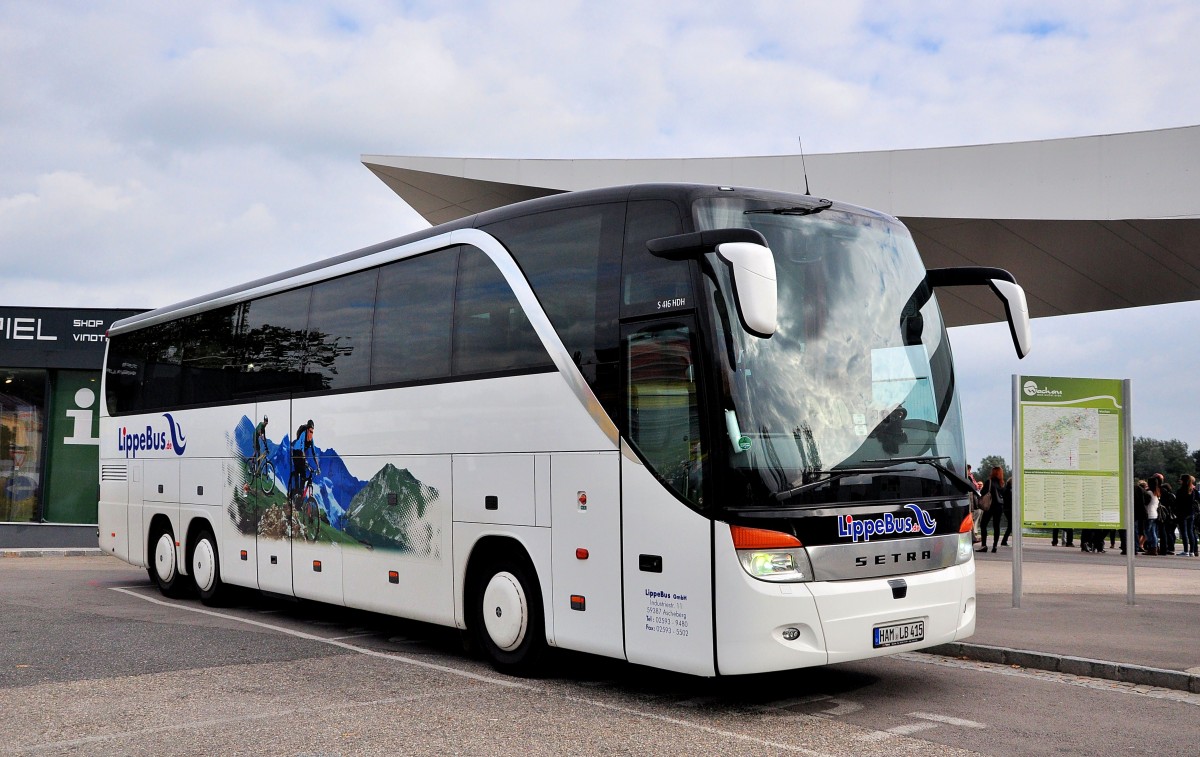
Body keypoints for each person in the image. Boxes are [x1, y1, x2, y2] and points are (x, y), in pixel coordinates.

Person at [977, 466, 1008, 553]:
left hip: (990, 506)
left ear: (993, 472)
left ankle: (984, 545)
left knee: (983, 524)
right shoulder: (1002, 483)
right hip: (999, 507)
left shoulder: (989, 482)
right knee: (996, 526)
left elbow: (983, 492)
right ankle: (994, 546)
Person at [288, 419, 320, 501]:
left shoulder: (311, 440)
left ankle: (300, 493)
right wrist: (305, 460)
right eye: (310, 431)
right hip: (296, 452)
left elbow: (314, 453)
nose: (311, 434)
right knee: (300, 471)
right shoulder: (303, 434)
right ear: (307, 430)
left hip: (302, 455)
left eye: (312, 432)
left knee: (304, 475)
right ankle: (297, 492)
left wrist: (318, 467)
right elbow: (302, 449)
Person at [1175, 475, 1198, 556]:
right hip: (1191, 512)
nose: (1180, 481)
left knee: (1184, 532)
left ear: (1183, 481)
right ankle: (1192, 551)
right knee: (1190, 531)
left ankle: (1186, 550)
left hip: (1182, 513)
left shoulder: (1180, 491)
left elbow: (1177, 503)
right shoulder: (1193, 491)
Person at [1143, 477, 1162, 555]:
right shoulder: (1157, 492)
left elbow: (1145, 503)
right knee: (1153, 532)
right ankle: (1155, 547)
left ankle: (1152, 548)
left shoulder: (1149, 493)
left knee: (1148, 532)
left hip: (1149, 514)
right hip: (1155, 514)